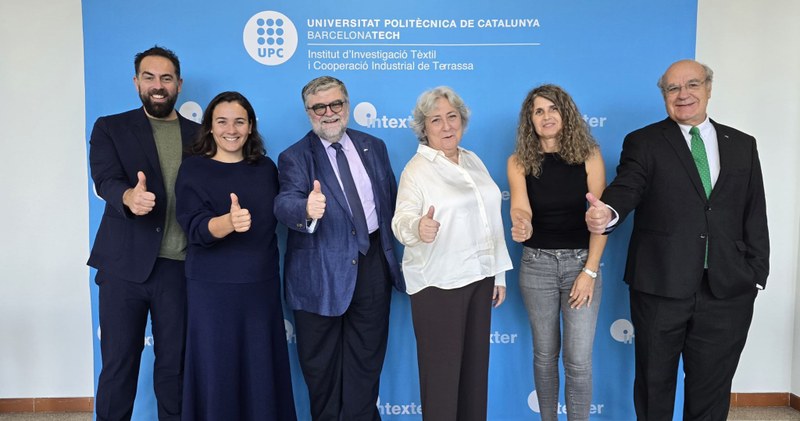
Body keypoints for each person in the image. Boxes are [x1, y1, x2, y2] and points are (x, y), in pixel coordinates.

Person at [585, 59, 769, 420]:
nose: (683, 94)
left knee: (712, 388)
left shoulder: (742, 145)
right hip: (660, 285)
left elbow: (754, 212)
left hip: (728, 288)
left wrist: (756, 274)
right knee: (655, 385)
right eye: (673, 88)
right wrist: (608, 212)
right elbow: (627, 188)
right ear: (664, 96)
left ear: (708, 88)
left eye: (692, 85)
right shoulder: (644, 142)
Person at [274, 76, 404, 421]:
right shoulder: (294, 157)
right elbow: (285, 200)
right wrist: (305, 209)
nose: (329, 113)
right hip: (318, 275)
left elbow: (390, 201)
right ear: (308, 112)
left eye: (336, 104)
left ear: (347, 105)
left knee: (366, 367)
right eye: (319, 107)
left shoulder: (373, 146)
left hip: (372, 265)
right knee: (322, 376)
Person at [87, 46, 200, 421]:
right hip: (123, 266)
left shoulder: (201, 136)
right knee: (119, 366)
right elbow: (104, 179)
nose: (157, 85)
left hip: (180, 269)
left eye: (166, 78)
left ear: (179, 85)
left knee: (176, 368)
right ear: (136, 82)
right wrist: (126, 196)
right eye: (149, 77)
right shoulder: (110, 127)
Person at [391, 86, 513, 421]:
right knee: (442, 384)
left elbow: (490, 218)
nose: (446, 126)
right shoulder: (416, 170)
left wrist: (498, 273)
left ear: (462, 120)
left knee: (474, 380)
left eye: (452, 117)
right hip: (438, 285)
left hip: (479, 278)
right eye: (436, 120)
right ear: (424, 128)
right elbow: (400, 221)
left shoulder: (471, 159)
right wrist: (418, 228)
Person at [175, 92, 296, 421]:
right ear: (210, 127)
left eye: (239, 121)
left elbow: (283, 214)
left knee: (260, 369)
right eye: (222, 121)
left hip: (260, 286)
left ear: (251, 126)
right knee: (217, 370)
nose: (232, 129)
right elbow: (193, 227)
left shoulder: (266, 168)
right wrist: (227, 223)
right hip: (211, 289)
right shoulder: (194, 169)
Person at [507, 84, 607, 421]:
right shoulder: (519, 161)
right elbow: (521, 209)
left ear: (565, 114)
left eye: (553, 109)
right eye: (538, 111)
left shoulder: (589, 155)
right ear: (530, 121)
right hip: (537, 266)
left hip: (582, 264)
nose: (546, 116)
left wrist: (590, 272)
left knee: (578, 360)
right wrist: (522, 224)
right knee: (545, 355)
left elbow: (600, 220)